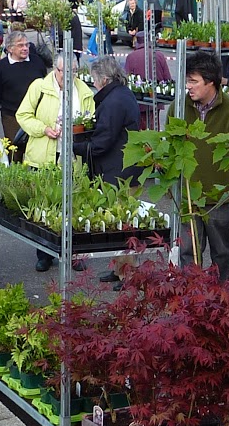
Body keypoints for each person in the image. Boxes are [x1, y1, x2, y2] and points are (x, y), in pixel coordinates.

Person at [17, 51, 97, 270]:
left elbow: (90, 121)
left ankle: (73, 253)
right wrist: (43, 129)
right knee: (44, 206)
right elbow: (22, 115)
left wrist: (80, 130)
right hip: (43, 155)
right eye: (65, 72)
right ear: (56, 69)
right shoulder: (39, 87)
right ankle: (44, 254)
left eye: (74, 72)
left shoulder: (84, 91)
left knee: (73, 205)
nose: (69, 77)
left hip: (72, 157)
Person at [183, 51, 229, 281]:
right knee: (188, 251)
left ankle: (218, 297)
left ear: (211, 81)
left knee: (221, 251)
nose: (189, 86)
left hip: (220, 196)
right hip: (188, 194)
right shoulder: (180, 108)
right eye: (187, 80)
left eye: (194, 81)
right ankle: (191, 300)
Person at [79, 55, 140, 184]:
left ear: (104, 80)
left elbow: (102, 143)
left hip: (116, 173)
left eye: (95, 79)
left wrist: (74, 146)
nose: (94, 83)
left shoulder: (112, 102)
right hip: (127, 168)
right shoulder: (124, 93)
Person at [0, 31, 50, 153]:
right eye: (20, 45)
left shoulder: (37, 62)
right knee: (14, 151)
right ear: (10, 48)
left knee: (36, 151)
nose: (25, 48)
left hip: (36, 116)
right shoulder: (2, 67)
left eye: (26, 45)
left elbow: (47, 86)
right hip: (12, 117)